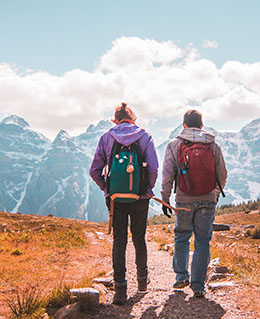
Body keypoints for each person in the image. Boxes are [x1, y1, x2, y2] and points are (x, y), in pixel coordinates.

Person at [89, 103, 159, 305]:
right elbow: (153, 168)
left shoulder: (106, 137)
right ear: (133, 118)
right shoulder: (145, 136)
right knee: (139, 238)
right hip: (140, 198)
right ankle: (142, 282)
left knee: (119, 240)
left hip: (116, 198)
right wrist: (146, 189)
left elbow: (95, 170)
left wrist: (107, 189)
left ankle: (120, 288)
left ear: (116, 119)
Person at [160, 110, 227, 297]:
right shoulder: (213, 145)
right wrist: (214, 194)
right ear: (202, 125)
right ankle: (198, 285)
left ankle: (181, 277)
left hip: (183, 199)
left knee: (181, 236)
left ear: (184, 125)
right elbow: (222, 174)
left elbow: (168, 174)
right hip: (207, 199)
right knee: (203, 240)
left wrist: (165, 198)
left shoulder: (175, 144)